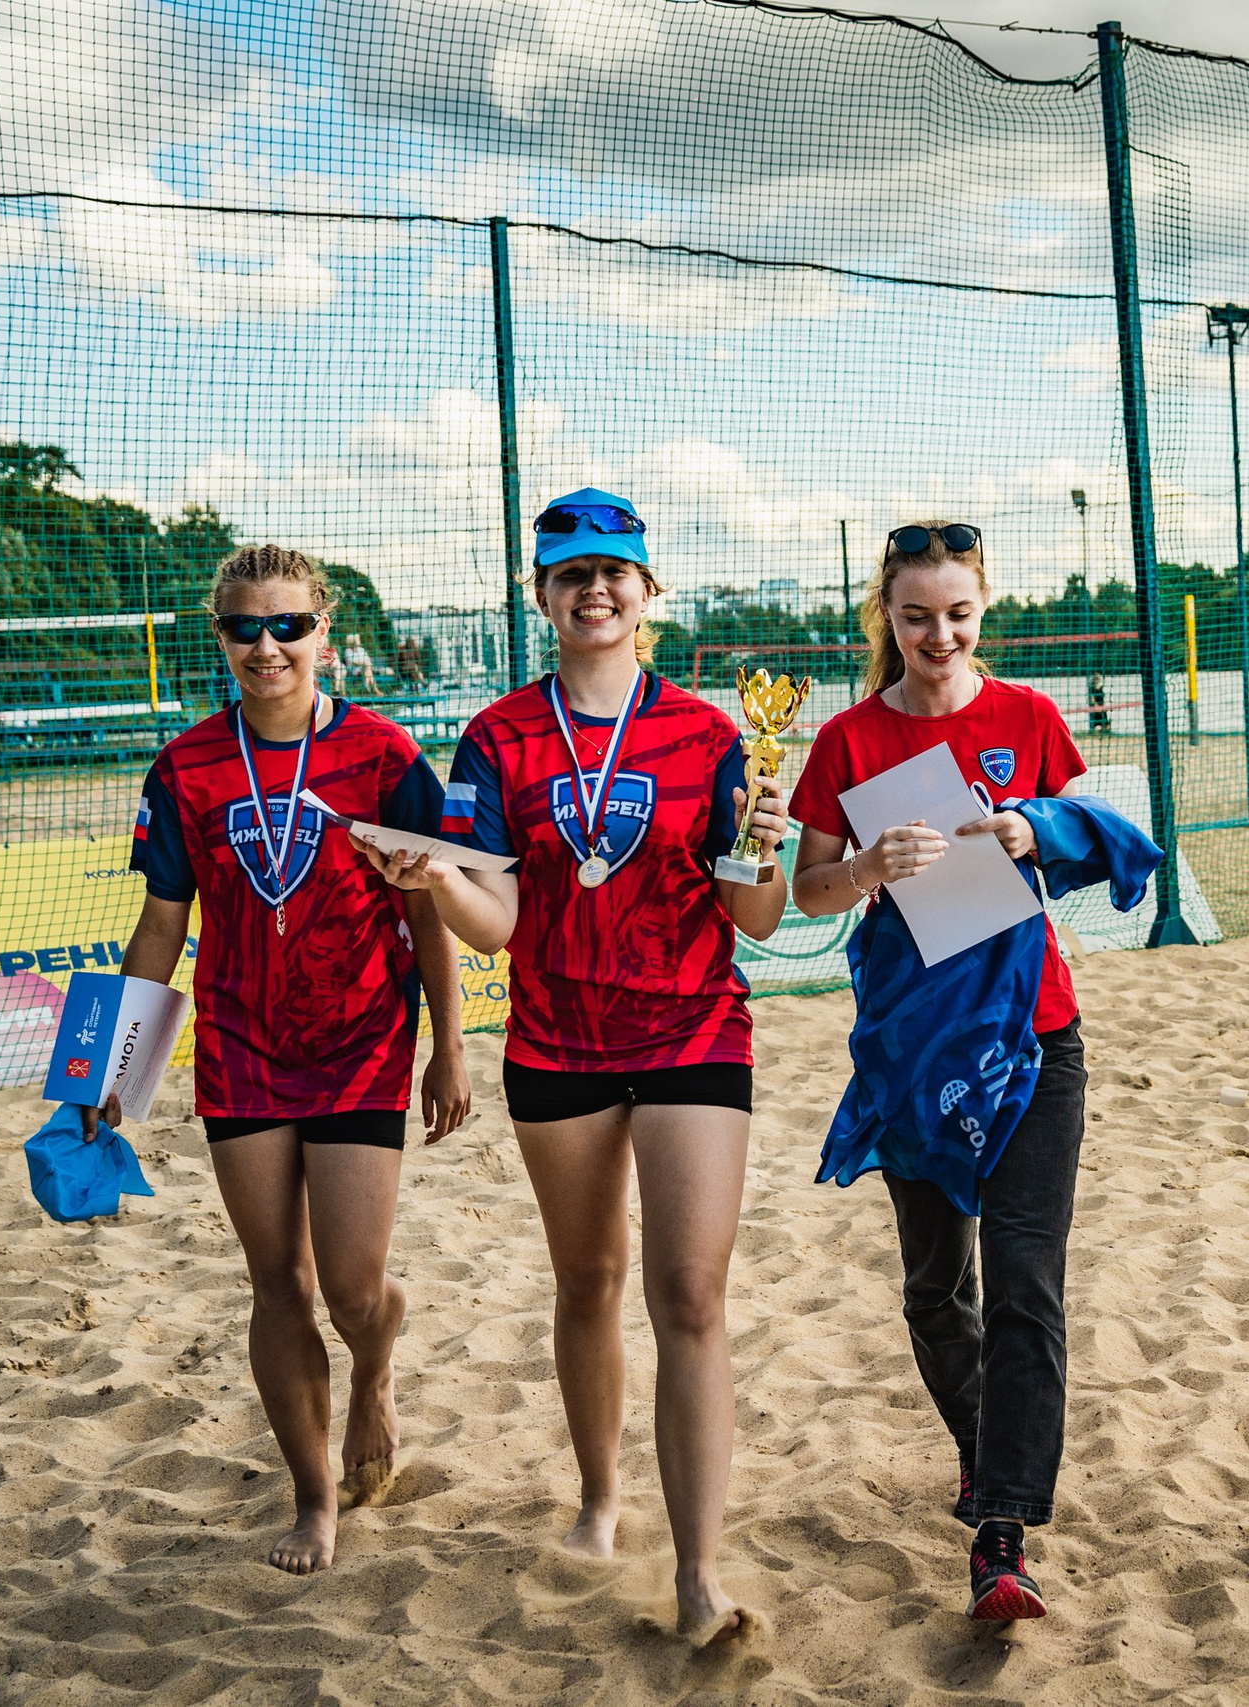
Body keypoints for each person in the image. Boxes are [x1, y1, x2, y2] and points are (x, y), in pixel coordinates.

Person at [356, 487, 785, 1648]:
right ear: (541, 596)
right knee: (589, 1283)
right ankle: (601, 1502)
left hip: (693, 1027)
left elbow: (755, 918)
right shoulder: (497, 738)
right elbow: (494, 922)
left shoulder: (710, 734)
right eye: (570, 574)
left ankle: (698, 1572)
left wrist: (766, 838)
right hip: (557, 1044)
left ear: (649, 592)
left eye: (615, 572)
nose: (595, 590)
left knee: (689, 1297)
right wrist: (434, 879)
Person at [102, 542, 472, 1576]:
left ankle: (375, 1373)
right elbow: (161, 926)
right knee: (277, 1282)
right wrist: (112, 1076)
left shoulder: (384, 755)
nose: (267, 647)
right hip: (239, 1047)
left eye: (287, 625)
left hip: (359, 1043)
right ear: (218, 637)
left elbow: (430, 909)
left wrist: (449, 1045)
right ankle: (316, 1499)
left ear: (324, 634)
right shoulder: (185, 768)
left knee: (355, 1293)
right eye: (242, 628)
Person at [788, 521, 1096, 1624]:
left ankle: (1002, 1529)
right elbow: (802, 897)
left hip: (1030, 1041)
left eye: (957, 613)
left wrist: (1033, 832)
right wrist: (868, 865)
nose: (938, 634)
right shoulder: (848, 740)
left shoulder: (1029, 717)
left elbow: (1090, 841)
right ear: (887, 617)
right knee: (934, 1290)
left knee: (1025, 1280)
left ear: (983, 611)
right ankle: (986, 1449)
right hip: (914, 1054)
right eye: (915, 615)